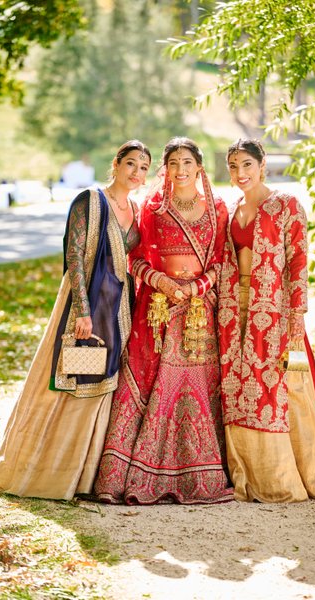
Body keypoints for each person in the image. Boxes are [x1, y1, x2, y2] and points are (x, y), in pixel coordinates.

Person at [0, 140, 152, 500]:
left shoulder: (136, 209)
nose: (137, 173)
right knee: (73, 373)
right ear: (116, 163)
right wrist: (82, 310)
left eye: (143, 167)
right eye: (130, 164)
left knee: (103, 381)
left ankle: (87, 476)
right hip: (86, 304)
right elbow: (75, 255)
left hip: (118, 307)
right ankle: (46, 472)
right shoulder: (91, 200)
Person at [94, 137, 234, 505]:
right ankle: (123, 477)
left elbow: (223, 261)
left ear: (200, 167)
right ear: (166, 169)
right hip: (158, 310)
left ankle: (201, 474)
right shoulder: (152, 209)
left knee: (199, 387)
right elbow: (135, 260)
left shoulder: (218, 208)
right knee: (144, 379)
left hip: (199, 313)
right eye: (173, 163)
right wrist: (164, 283)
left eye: (187, 162)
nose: (181, 169)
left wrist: (197, 287)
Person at [218, 138, 315, 503]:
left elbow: (298, 261)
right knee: (238, 386)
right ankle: (244, 474)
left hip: (275, 309)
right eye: (234, 166)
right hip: (234, 309)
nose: (240, 173)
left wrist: (297, 313)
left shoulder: (286, 205)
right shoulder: (232, 209)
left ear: (262, 164)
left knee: (283, 387)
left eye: (247, 165)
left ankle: (288, 477)